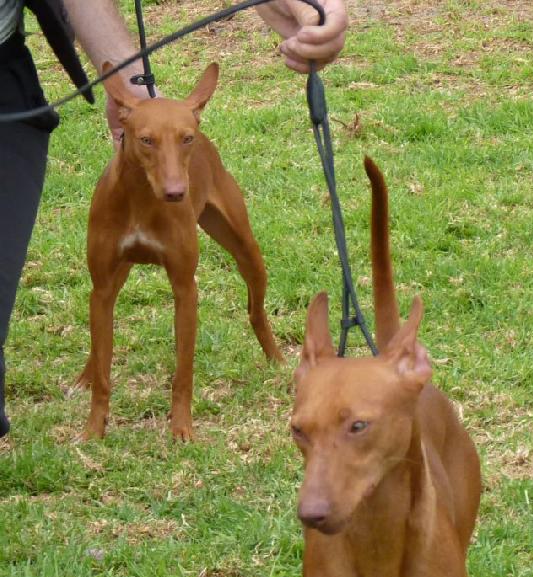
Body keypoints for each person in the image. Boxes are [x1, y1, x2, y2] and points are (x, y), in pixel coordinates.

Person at [0, 0, 348, 439]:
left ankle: (254, 327)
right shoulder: (111, 191)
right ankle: (98, 395)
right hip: (109, 189)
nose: (171, 171)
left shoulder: (188, 173)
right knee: (105, 287)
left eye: (187, 140)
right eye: (146, 142)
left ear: (198, 119)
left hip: (6, 67)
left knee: (249, 258)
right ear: (122, 121)